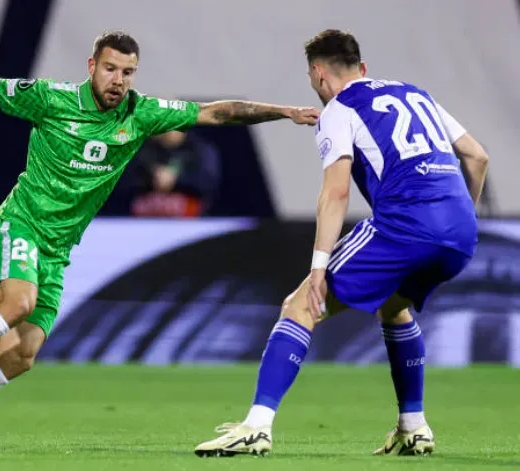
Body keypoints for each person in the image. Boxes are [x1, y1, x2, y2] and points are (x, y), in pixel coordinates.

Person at [0, 30, 319, 447]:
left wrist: (284, 112)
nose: (118, 80)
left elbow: (219, 113)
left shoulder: (141, 114)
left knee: (22, 354)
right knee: (16, 304)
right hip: (21, 223)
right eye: (110, 69)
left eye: (127, 72)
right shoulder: (51, 99)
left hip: (58, 249)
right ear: (91, 66)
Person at [195, 29, 489, 458]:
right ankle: (414, 426)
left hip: (406, 224)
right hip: (462, 230)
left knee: (299, 305)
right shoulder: (415, 93)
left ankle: (256, 426)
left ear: (317, 74)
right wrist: (463, 217)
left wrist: (318, 269)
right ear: (362, 68)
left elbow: (335, 193)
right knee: (395, 306)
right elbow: (477, 156)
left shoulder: (340, 108)